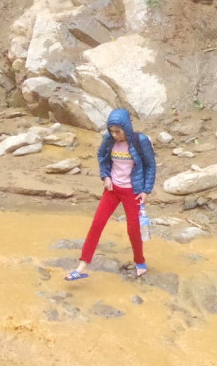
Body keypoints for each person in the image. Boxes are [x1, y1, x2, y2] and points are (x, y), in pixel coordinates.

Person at [67, 108, 157, 281]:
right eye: (112, 131)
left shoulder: (141, 141)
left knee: (133, 230)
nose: (115, 135)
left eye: (118, 131)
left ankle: (140, 261)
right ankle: (82, 266)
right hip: (112, 190)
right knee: (97, 224)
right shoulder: (108, 140)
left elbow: (150, 166)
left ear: (127, 128)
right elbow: (101, 156)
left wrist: (146, 190)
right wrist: (105, 176)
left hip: (133, 191)